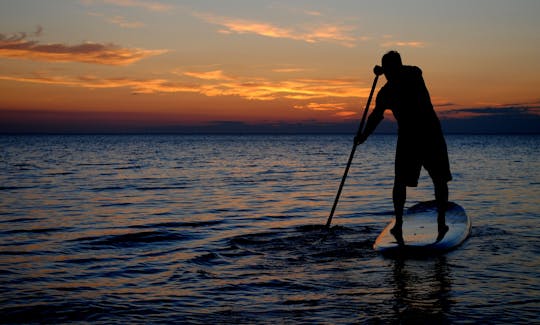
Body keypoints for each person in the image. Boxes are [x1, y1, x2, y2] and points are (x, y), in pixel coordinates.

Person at [355, 51, 452, 244]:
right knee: (400, 181)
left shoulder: (414, 75)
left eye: (392, 69)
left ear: (399, 67)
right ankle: (398, 223)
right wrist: (363, 136)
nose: (390, 75)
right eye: (388, 71)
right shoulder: (386, 92)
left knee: (439, 179)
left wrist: (384, 70)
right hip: (408, 138)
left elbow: (411, 70)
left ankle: (441, 222)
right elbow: (376, 116)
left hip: (430, 133)